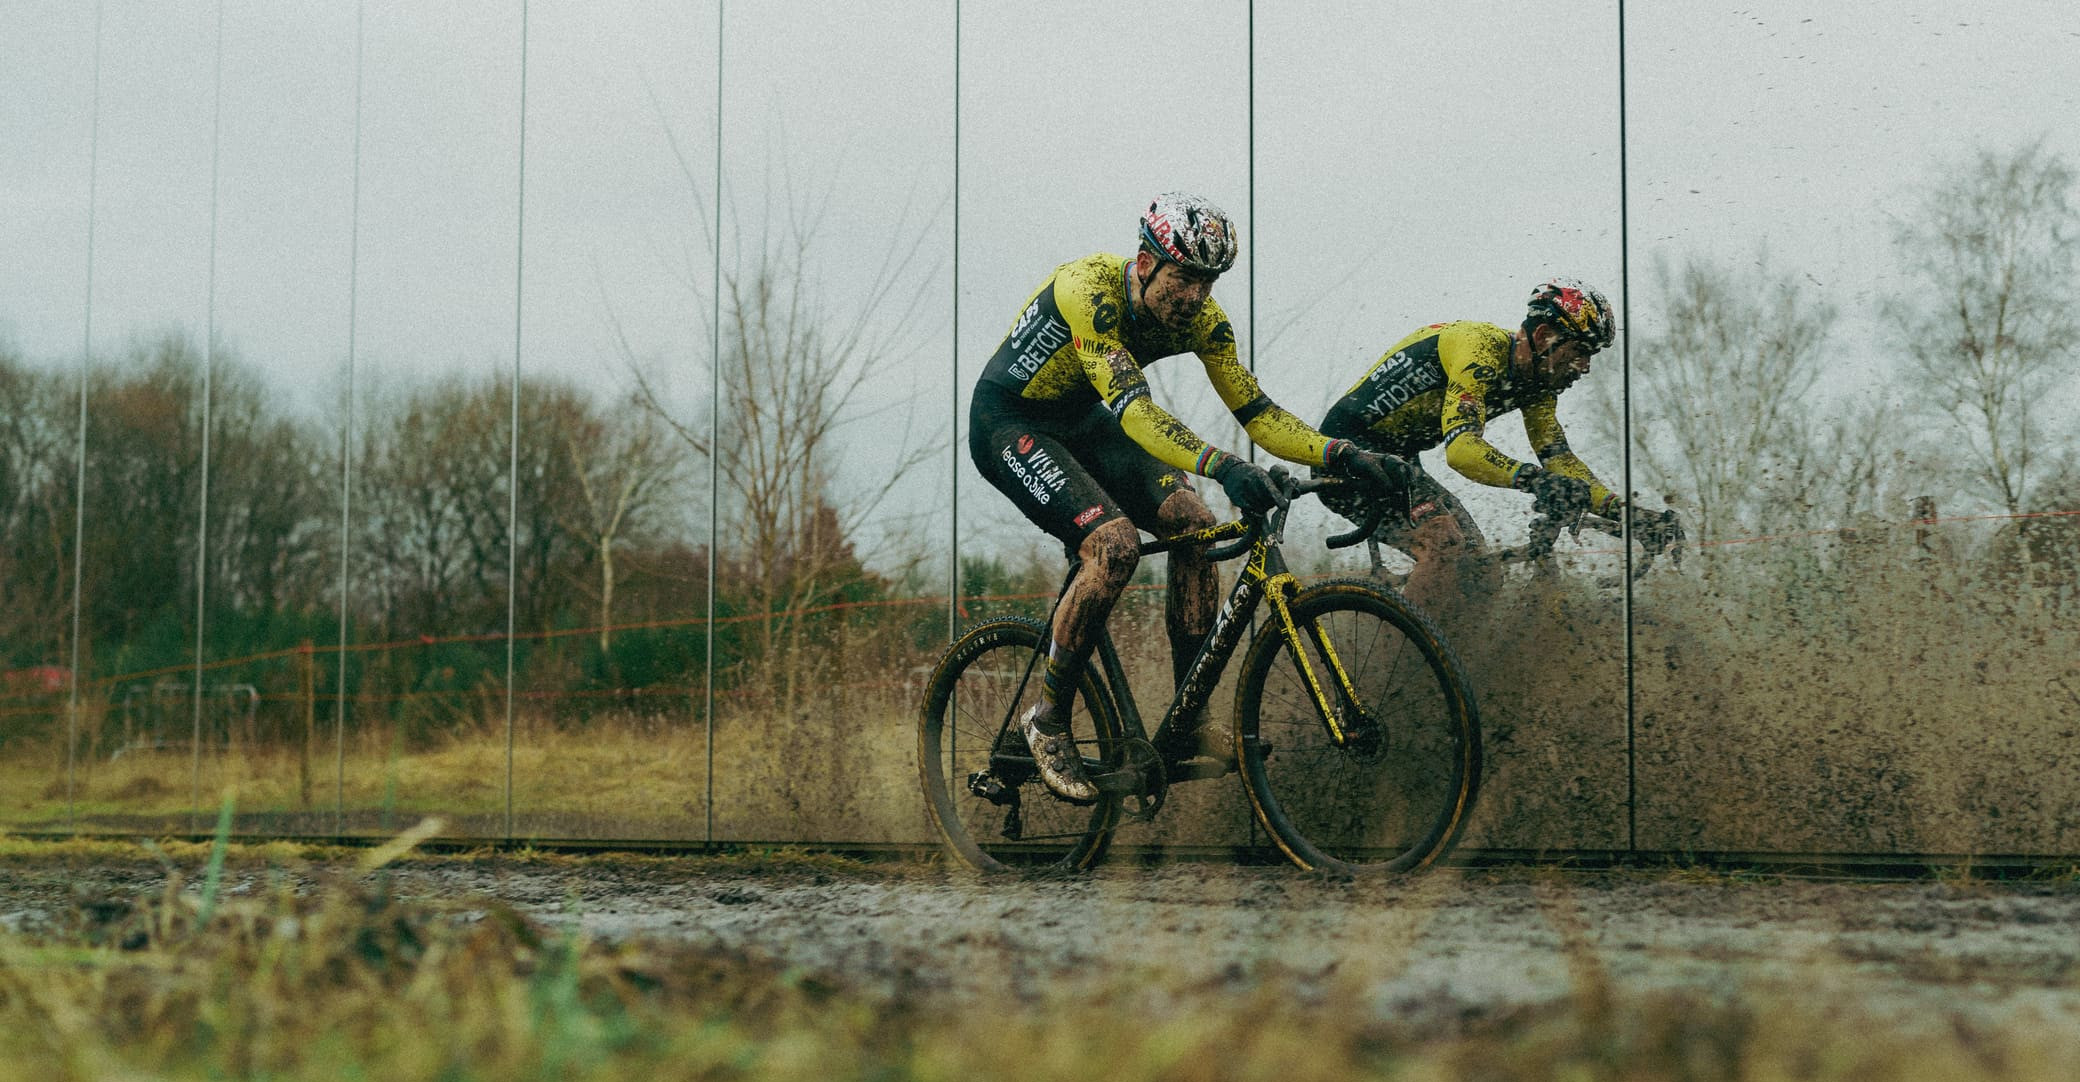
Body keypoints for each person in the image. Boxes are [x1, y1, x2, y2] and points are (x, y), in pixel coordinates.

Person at [969, 192, 1406, 802]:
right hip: (1010, 422)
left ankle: (1189, 725)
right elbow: (1139, 413)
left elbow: (1258, 412)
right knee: (1114, 545)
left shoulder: (1205, 321)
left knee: (1194, 524)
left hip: (1085, 419)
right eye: (1184, 280)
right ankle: (1045, 721)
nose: (1196, 298)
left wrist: (1343, 453)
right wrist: (1224, 466)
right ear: (1146, 264)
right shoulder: (1087, 292)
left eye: (1208, 284)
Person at [1317, 278, 1673, 614]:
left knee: (1481, 575)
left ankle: (1445, 666)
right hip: (1349, 455)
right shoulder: (1480, 351)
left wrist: (1627, 514)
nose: (1585, 368)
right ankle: (1393, 664)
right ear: (1546, 336)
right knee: (1445, 547)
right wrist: (1535, 481)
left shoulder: (1539, 383)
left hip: (1398, 461)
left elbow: (1560, 460)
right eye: (1580, 351)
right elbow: (1462, 451)